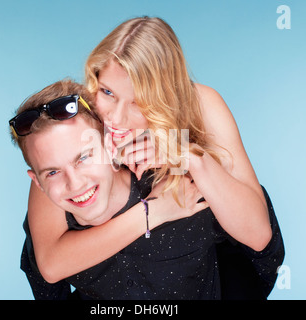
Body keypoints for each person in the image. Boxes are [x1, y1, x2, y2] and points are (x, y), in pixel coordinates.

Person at [24, 16, 284, 299]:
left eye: (139, 103)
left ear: (166, 99)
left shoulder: (201, 105)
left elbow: (258, 235)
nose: (116, 117)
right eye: (108, 92)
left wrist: (184, 154)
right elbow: (50, 263)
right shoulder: (77, 119)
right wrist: (154, 212)